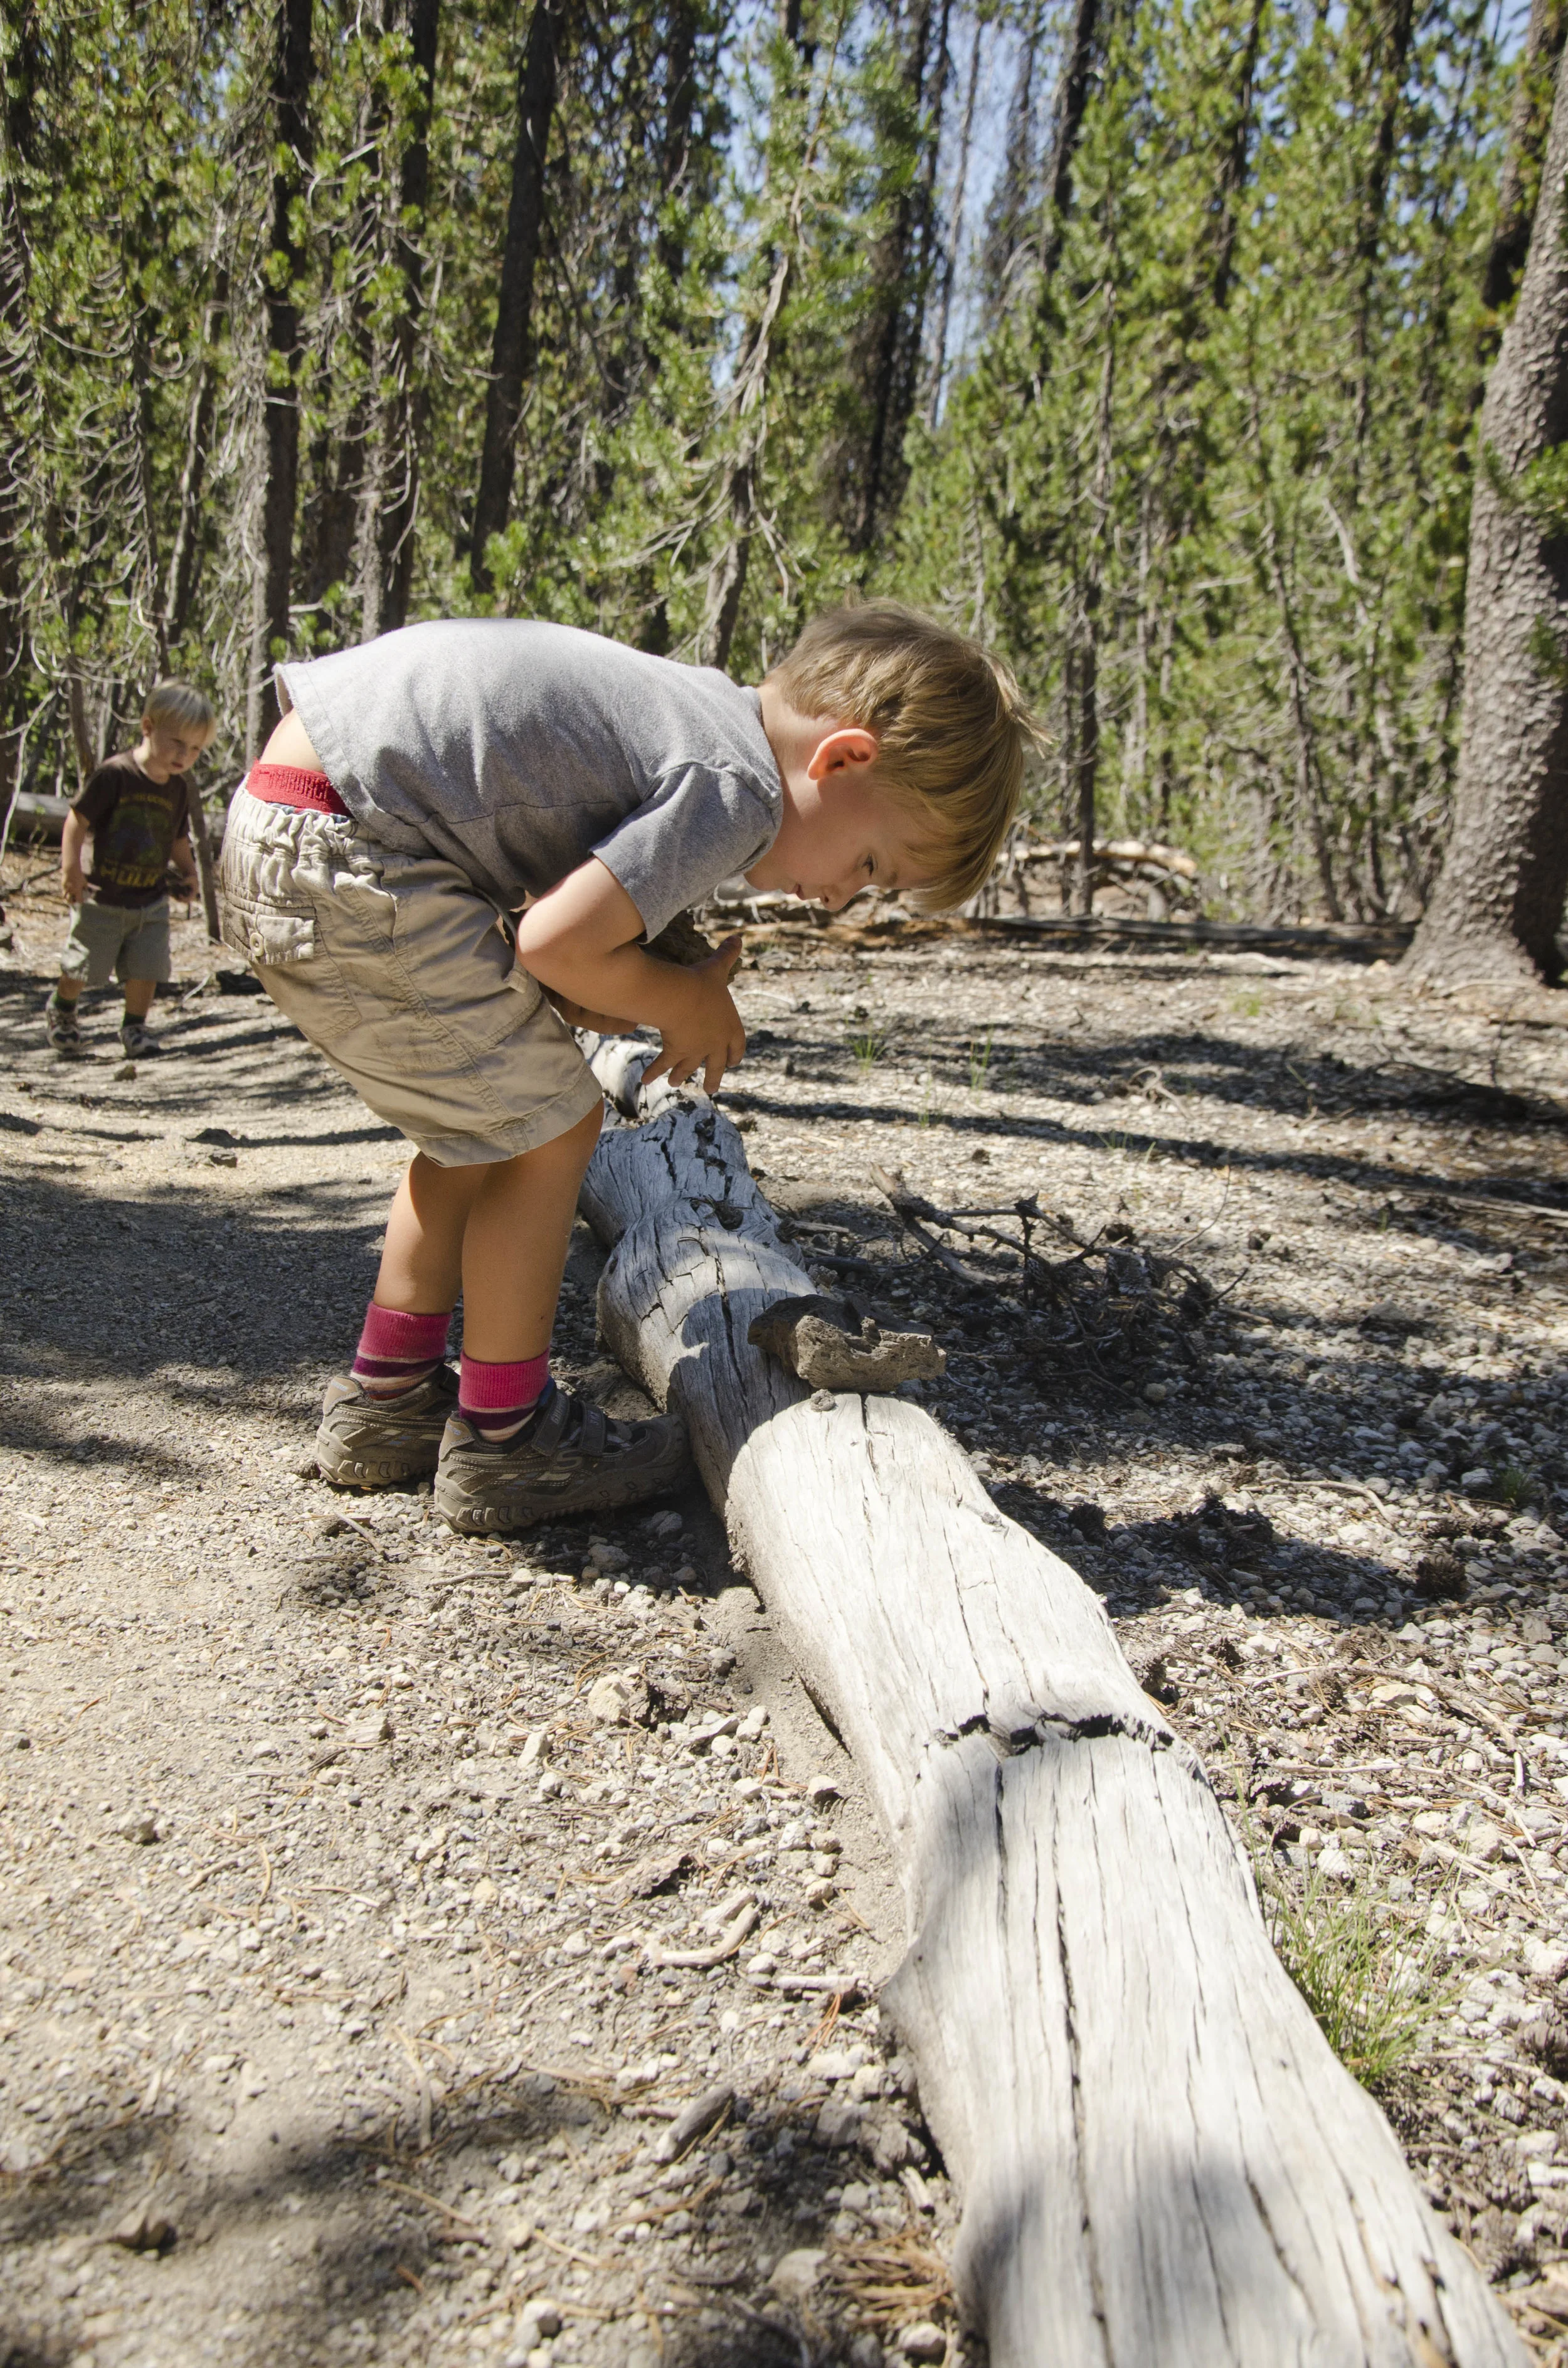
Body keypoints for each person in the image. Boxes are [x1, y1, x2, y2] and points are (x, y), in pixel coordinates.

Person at [218, 602, 1034, 1532]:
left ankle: (391, 1396)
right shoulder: (739, 787)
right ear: (842, 759)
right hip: (355, 853)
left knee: (479, 1132)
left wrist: (630, 977)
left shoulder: (698, 716)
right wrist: (687, 1001)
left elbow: (542, 892)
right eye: (871, 861)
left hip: (300, 820)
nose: (843, 896)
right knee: (557, 1125)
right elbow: (556, 941)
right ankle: (505, 1440)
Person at [45, 682, 215, 1058]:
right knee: (83, 964)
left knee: (147, 966)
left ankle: (134, 1027)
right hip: (102, 896)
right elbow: (77, 820)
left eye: (195, 749)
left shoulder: (178, 789)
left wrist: (189, 874)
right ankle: (62, 1009)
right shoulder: (115, 775)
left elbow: (177, 837)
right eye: (176, 743)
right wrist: (71, 870)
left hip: (150, 898)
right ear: (148, 727)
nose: (184, 755)